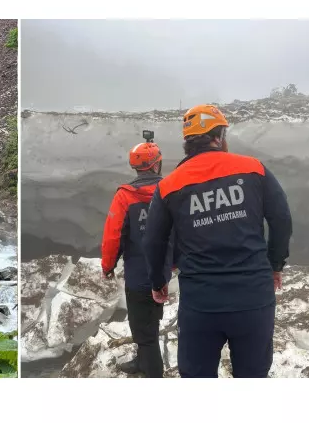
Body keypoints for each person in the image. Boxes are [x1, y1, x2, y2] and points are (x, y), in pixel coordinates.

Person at [142, 104, 292, 378]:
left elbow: (153, 241)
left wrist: (157, 282)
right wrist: (275, 265)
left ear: (188, 142)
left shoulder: (170, 185)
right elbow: (281, 219)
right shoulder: (254, 169)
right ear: (219, 136)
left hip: (201, 305)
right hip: (254, 299)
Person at [100, 136, 172, 378]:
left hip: (138, 276)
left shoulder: (125, 197)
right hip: (163, 273)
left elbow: (113, 235)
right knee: (149, 323)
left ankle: (152, 373)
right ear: (155, 165)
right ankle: (143, 362)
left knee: (144, 332)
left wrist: (108, 265)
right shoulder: (171, 190)